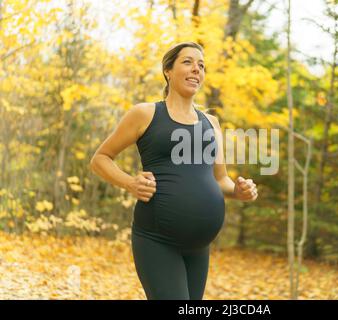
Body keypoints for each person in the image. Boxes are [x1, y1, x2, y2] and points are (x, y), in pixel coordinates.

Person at [90, 41, 258, 300]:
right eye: (188, 62)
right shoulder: (145, 114)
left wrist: (238, 190)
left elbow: (220, 179)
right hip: (157, 241)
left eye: (201, 65)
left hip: (199, 246)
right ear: (168, 70)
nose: (196, 70)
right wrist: (130, 183)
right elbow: (100, 158)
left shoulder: (211, 123)